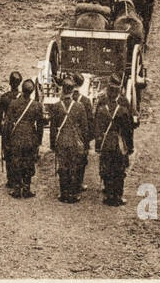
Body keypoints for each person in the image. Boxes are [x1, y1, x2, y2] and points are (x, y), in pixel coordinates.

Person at [49, 74, 93, 203]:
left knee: (63, 167)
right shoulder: (79, 106)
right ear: (73, 89)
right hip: (75, 140)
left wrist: (53, 144)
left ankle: (64, 193)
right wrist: (85, 144)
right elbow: (85, 127)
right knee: (74, 166)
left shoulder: (56, 106)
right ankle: (73, 194)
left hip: (62, 140)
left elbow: (53, 128)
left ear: (63, 89)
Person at [94, 77, 136, 206]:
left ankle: (108, 194)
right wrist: (130, 146)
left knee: (106, 167)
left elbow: (97, 126)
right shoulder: (123, 108)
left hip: (106, 141)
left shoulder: (101, 105)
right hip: (119, 142)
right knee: (119, 169)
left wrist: (98, 144)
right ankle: (117, 196)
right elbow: (128, 129)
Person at [2, 78, 44, 198]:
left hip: (16, 137)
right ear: (31, 92)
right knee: (29, 162)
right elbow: (40, 125)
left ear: (22, 89)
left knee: (16, 161)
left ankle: (16, 189)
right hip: (31, 137)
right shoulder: (36, 106)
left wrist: (6, 141)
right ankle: (26, 188)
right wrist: (38, 141)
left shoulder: (13, 104)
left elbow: (8, 124)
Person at [0, 72, 24, 187]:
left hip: (8, 128)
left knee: (8, 152)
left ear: (10, 82)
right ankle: (19, 177)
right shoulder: (23, 97)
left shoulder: (5, 98)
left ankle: (10, 179)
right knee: (19, 152)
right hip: (19, 127)